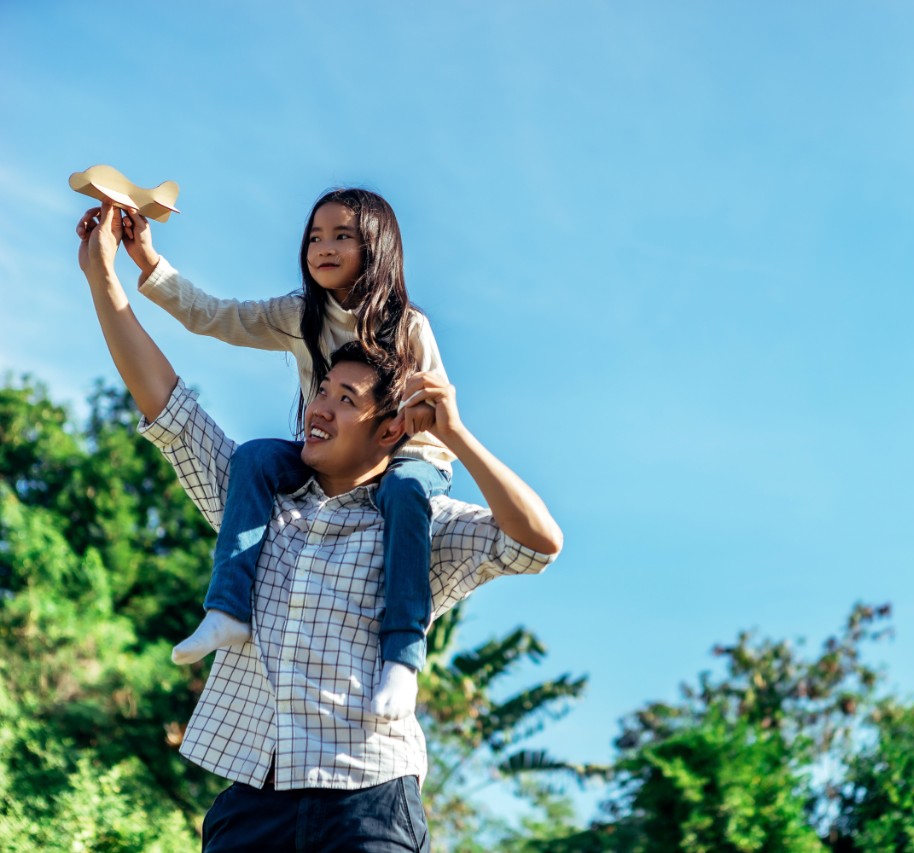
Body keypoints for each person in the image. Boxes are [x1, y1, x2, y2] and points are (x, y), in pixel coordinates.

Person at [78, 199, 563, 851]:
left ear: (389, 426)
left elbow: (537, 542)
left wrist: (458, 436)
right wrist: (105, 276)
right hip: (254, 800)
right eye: (320, 391)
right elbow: (167, 405)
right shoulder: (255, 503)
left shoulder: (418, 527)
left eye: (346, 399)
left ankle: (403, 660)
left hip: (368, 803)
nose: (319, 406)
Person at [118, 188, 451, 721]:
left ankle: (402, 660)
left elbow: (434, 410)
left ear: (377, 248)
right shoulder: (301, 315)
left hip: (411, 454)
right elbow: (215, 316)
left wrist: (407, 431)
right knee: (253, 458)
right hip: (327, 449)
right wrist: (149, 262)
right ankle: (228, 609)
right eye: (315, 237)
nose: (324, 247)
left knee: (406, 491)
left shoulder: (409, 328)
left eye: (343, 236)